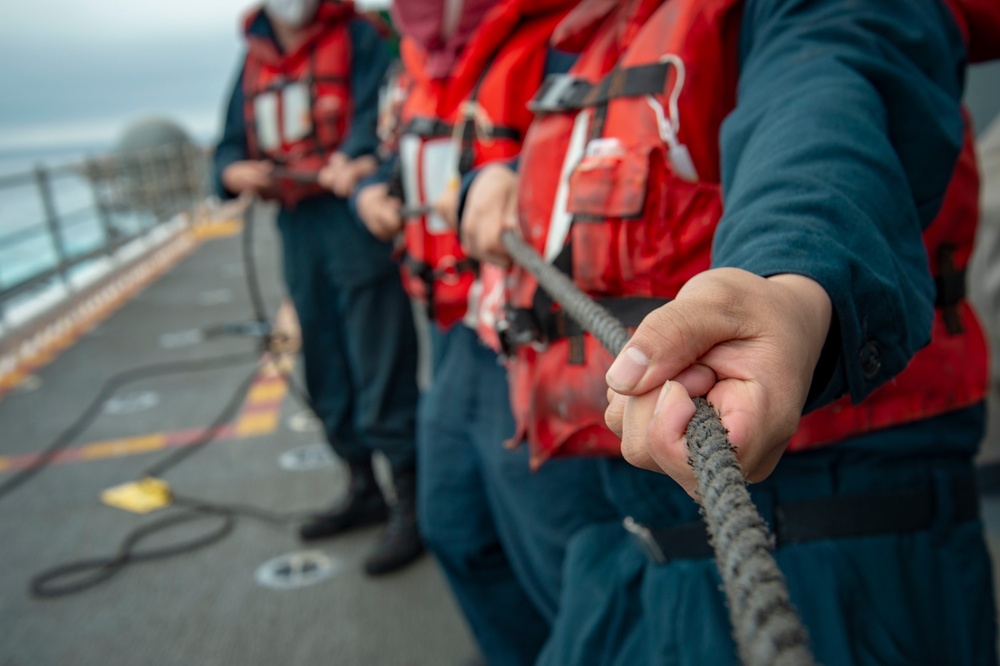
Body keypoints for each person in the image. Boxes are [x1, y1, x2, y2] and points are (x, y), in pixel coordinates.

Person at [460, 0, 1000, 663]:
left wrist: (789, 280)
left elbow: (826, 88)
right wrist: (500, 175)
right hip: (639, 530)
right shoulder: (603, 31)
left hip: (834, 525)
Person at [353, 1, 618, 663]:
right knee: (455, 527)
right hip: (457, 337)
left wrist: (520, 180)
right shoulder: (425, 61)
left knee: (568, 558)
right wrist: (375, 188)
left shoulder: (564, 34)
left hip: (548, 341)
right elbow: (424, 144)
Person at [212, 0, 423, 576]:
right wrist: (233, 172)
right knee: (324, 362)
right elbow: (228, 144)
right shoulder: (252, 58)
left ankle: (412, 497)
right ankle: (361, 487)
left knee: (381, 362)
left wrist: (355, 159)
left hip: (353, 224)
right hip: (297, 231)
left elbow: (383, 111)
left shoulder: (358, 37)